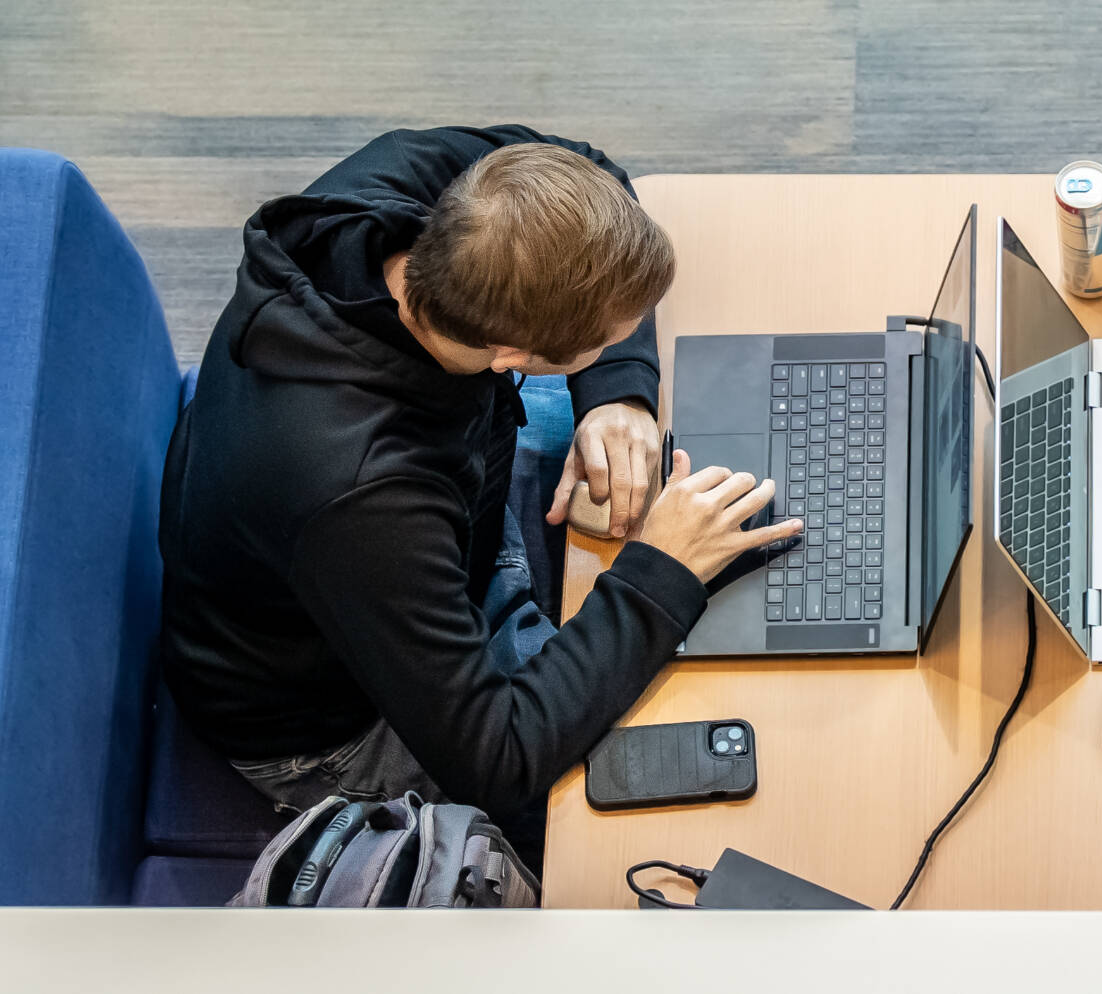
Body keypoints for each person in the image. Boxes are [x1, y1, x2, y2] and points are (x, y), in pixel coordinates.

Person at [159, 126, 803, 837]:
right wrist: (663, 570)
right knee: (683, 772)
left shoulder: (430, 197)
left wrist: (617, 392)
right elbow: (497, 758)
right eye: (605, 342)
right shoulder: (366, 497)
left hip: (439, 536)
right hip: (336, 725)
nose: (618, 340)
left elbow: (591, 170)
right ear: (511, 354)